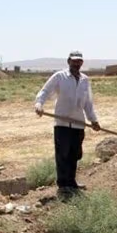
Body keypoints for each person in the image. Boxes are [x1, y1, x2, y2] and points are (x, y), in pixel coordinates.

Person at [34, 51, 100, 198]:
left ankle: (72, 182)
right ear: (68, 61)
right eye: (74, 61)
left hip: (78, 124)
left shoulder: (85, 80)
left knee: (75, 154)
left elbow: (88, 103)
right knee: (63, 154)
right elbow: (45, 91)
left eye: (79, 61)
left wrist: (93, 120)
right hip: (62, 123)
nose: (76, 63)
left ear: (82, 63)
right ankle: (63, 186)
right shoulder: (60, 76)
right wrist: (39, 104)